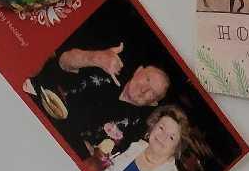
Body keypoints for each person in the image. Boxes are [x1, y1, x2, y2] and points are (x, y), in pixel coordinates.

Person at [25, 36, 171, 158]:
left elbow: (102, 159)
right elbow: (64, 61)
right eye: (147, 80)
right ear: (138, 71)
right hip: (34, 104)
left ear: (153, 103)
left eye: (152, 92)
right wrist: (95, 58)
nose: (144, 89)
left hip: (58, 150)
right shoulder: (108, 65)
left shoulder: (134, 129)